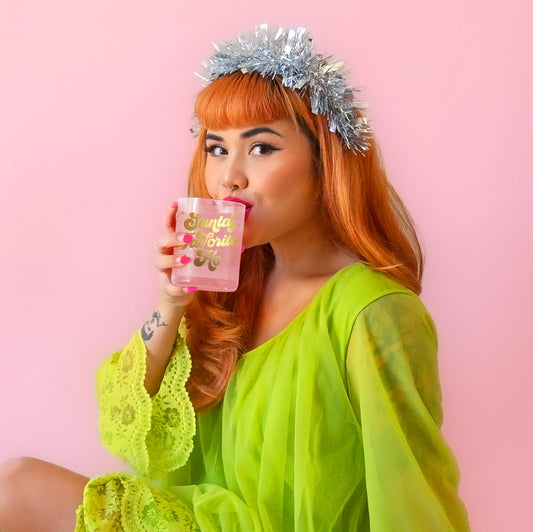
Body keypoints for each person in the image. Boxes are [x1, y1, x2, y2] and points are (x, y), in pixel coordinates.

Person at [0, 24, 470, 531]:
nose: (229, 177)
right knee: (17, 485)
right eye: (216, 148)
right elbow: (126, 425)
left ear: (324, 161)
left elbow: (411, 496)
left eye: (262, 148)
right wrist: (172, 301)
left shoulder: (372, 311)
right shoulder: (229, 293)